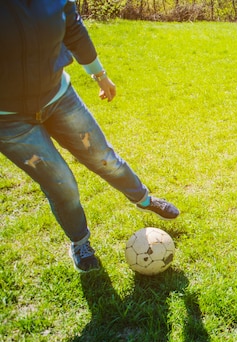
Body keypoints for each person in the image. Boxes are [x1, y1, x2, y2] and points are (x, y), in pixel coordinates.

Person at [0, 1, 180, 273]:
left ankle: (144, 199)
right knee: (62, 185)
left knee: (104, 157)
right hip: (9, 119)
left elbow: (74, 30)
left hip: (59, 97)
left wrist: (100, 75)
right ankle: (80, 242)